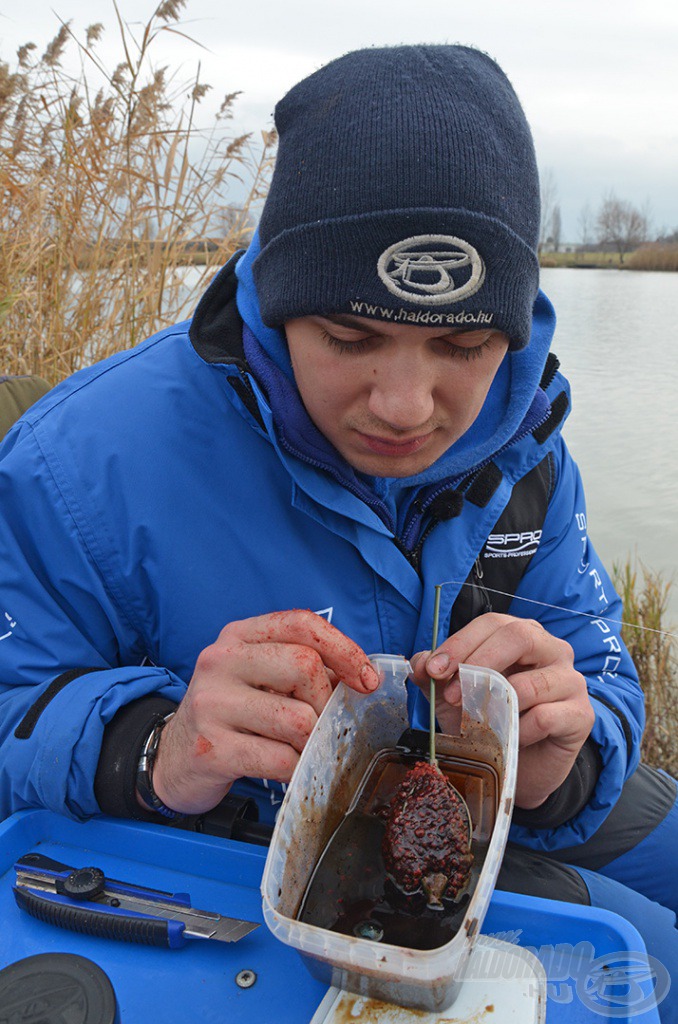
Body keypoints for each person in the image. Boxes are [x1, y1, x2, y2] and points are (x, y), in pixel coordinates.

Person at [0, 44, 676, 1015]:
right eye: (351, 337)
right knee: (646, 968)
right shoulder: (73, 462)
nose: (405, 406)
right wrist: (155, 744)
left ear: (513, 331)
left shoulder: (527, 438)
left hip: (494, 799)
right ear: (277, 303)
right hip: (254, 839)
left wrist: (568, 761)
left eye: (462, 344)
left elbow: (599, 669)